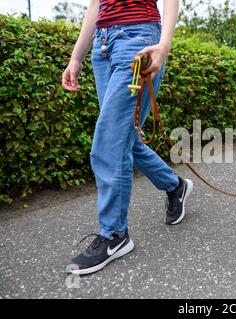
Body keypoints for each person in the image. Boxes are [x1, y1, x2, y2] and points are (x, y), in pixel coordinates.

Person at [62, 0, 193, 275]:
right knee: (123, 139)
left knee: (110, 142)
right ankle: (175, 186)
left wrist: (164, 45)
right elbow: (96, 5)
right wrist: (76, 57)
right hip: (103, 46)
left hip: (138, 42)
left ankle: (114, 235)